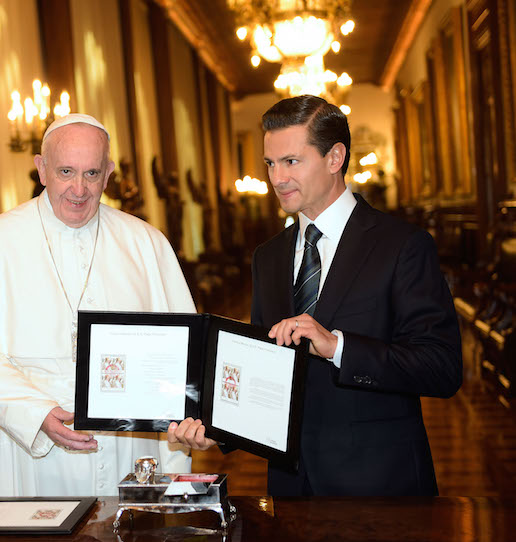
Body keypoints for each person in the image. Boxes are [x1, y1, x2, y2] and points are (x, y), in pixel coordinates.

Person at [168, 95, 462, 496]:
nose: (277, 178)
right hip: (290, 488)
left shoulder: (403, 245)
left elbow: (441, 367)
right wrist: (217, 429)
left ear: (335, 157)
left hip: (380, 487)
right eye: (270, 163)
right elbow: (263, 369)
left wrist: (337, 346)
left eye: (291, 161)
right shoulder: (267, 257)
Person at [0, 113, 194, 497]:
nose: (79, 189)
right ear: (41, 169)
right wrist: (36, 414)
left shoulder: (146, 244)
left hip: (129, 444)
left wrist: (177, 465)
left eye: (92, 174)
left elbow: (180, 355)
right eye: (65, 171)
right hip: (27, 447)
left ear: (108, 174)